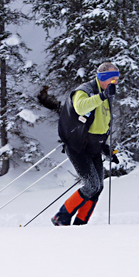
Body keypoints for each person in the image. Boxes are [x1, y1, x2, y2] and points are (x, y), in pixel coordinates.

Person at [52, 63, 120, 226]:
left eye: (117, 79)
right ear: (103, 78)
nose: (115, 83)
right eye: (113, 79)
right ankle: (61, 217)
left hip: (95, 147)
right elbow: (80, 107)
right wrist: (102, 96)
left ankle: (81, 224)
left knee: (98, 187)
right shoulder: (85, 90)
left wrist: (109, 148)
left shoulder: (107, 94)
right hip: (78, 147)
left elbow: (105, 123)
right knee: (91, 185)